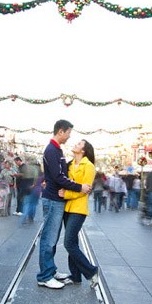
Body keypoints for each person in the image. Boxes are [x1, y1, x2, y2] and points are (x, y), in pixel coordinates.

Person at [37, 120, 91, 289]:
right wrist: (79, 187)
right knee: (48, 239)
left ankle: (50, 271)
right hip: (53, 199)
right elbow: (59, 177)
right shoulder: (52, 149)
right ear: (61, 131)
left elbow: (58, 175)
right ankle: (45, 276)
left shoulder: (57, 150)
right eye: (68, 133)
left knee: (52, 238)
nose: (69, 137)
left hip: (57, 199)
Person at [58, 139, 99, 288]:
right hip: (67, 208)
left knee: (68, 243)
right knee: (73, 243)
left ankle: (91, 271)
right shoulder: (69, 165)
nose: (75, 144)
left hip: (78, 209)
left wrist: (66, 194)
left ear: (84, 150)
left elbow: (84, 190)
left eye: (79, 144)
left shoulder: (89, 166)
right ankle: (75, 276)